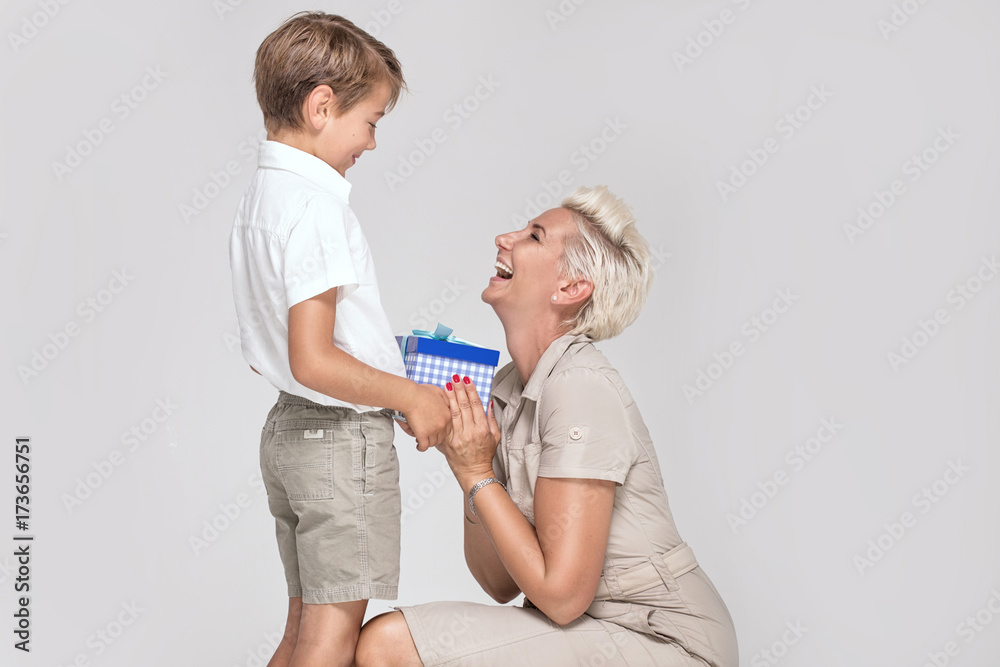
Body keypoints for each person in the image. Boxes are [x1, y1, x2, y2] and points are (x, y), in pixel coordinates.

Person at [355, 186, 739, 666]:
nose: (505, 238)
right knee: (387, 643)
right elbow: (498, 583)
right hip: (592, 630)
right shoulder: (508, 388)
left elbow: (561, 597)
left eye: (534, 236)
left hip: (662, 640)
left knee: (388, 645)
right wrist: (465, 463)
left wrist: (477, 472)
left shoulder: (580, 387)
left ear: (571, 288)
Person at [228, 12, 451, 667]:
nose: (372, 143)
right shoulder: (317, 207)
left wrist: (379, 358)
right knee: (331, 642)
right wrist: (411, 395)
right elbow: (314, 358)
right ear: (322, 106)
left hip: (288, 434)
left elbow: (272, 355)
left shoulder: (260, 200)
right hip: (339, 444)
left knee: (301, 632)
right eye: (371, 122)